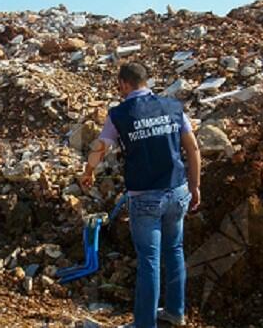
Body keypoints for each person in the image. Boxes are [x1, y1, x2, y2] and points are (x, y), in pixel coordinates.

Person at [80, 62, 201, 328]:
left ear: (124, 83)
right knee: (175, 251)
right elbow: (192, 148)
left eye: (119, 85)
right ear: (146, 81)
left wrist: (88, 170)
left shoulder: (119, 114)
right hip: (177, 191)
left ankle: (145, 324)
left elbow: (101, 147)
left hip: (146, 198)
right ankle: (175, 313)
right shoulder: (173, 107)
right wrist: (195, 186)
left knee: (149, 261)